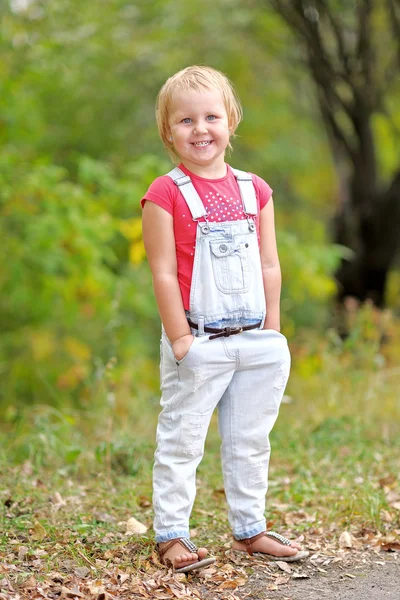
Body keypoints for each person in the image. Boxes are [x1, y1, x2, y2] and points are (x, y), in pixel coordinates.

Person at [141, 65, 308, 573]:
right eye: (186, 120)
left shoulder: (255, 190)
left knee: (251, 439)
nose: (201, 128)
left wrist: (273, 330)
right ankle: (172, 535)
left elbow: (269, 264)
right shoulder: (165, 193)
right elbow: (164, 273)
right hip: (200, 340)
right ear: (169, 131)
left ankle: (249, 529)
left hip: (257, 339)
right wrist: (180, 340)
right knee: (182, 440)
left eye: (211, 116)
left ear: (231, 120)